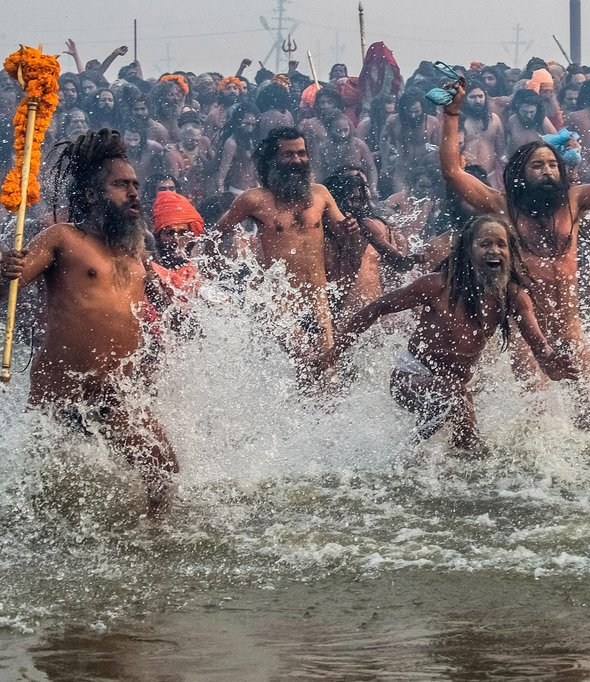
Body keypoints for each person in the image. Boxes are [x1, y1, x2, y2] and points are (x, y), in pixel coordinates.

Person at [441, 77, 590, 430]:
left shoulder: (574, 201)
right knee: (541, 426)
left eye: (552, 165)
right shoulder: (504, 207)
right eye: (538, 166)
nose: (547, 172)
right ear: (520, 175)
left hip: (571, 329)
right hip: (528, 335)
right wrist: (452, 114)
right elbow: (453, 173)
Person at [0, 130, 178, 515]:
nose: (133, 193)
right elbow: (7, 292)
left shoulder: (135, 250)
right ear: (93, 195)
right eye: (120, 185)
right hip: (61, 395)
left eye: (135, 184)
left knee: (164, 471)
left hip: (117, 395)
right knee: (45, 500)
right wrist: (4, 272)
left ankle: (152, 544)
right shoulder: (63, 237)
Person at [336, 215, 576, 455]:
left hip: (458, 385)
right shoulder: (437, 285)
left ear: (510, 253)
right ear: (468, 251)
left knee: (453, 439)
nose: (494, 250)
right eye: (485, 244)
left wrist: (552, 363)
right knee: (465, 427)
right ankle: (447, 457)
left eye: (501, 244)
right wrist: (333, 353)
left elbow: (540, 347)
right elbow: (377, 308)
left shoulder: (514, 297)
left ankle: (407, 456)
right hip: (410, 378)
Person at [213, 127, 351, 384]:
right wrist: (222, 273)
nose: (297, 160)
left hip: (318, 299)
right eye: (288, 155)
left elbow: (344, 232)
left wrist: (349, 229)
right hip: (279, 302)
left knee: (329, 375)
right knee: (306, 366)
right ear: (272, 159)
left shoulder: (320, 194)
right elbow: (216, 235)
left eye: (301, 153)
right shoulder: (253, 199)